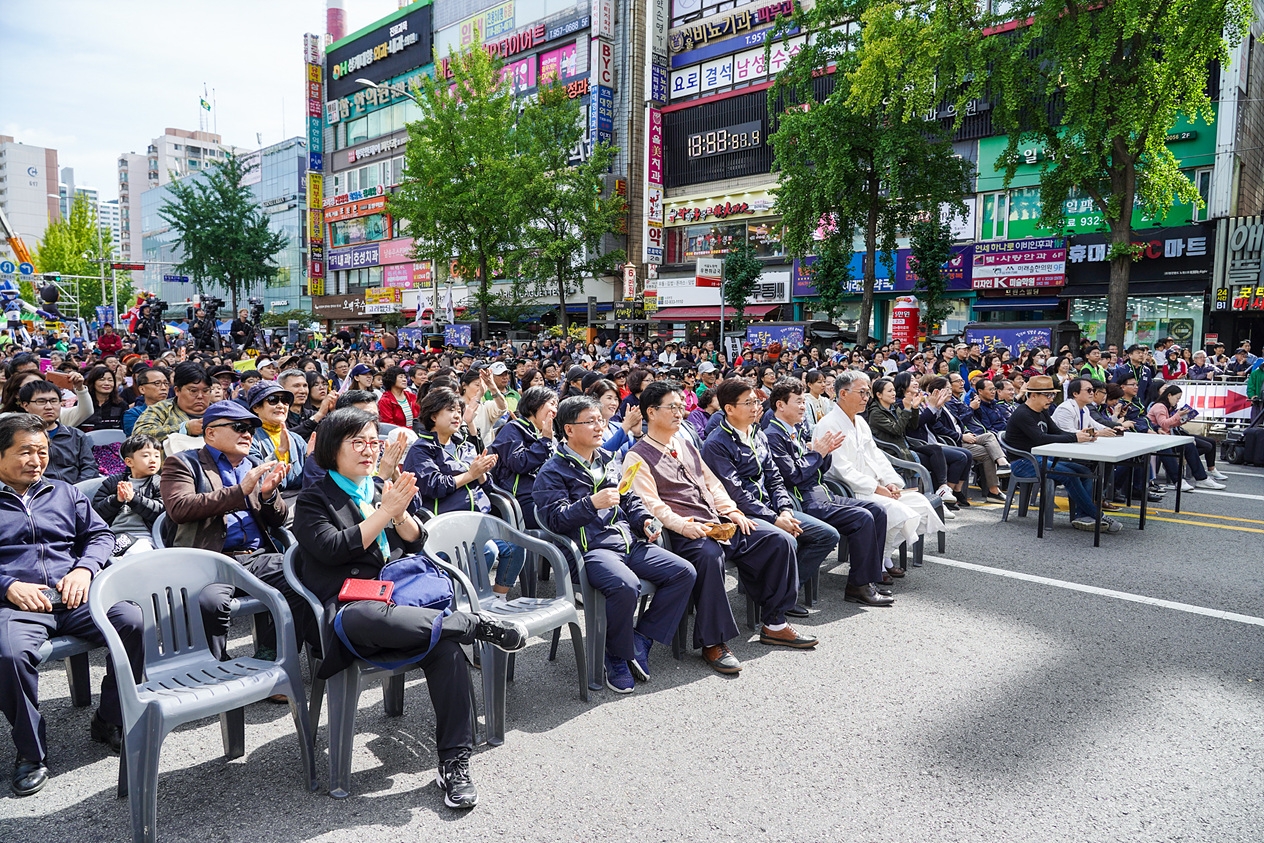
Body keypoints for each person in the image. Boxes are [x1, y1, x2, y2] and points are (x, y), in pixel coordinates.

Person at [293, 408, 527, 809]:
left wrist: (398, 513)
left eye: (372, 442)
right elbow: (330, 548)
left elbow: (416, 542)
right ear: (333, 449)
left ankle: (454, 761)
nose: (369, 450)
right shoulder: (315, 498)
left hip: (404, 604)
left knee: (447, 650)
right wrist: (383, 511)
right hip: (354, 606)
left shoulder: (380, 486)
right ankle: (472, 624)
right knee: (364, 615)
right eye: (358, 442)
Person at [624, 381, 813, 676]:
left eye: (680, 405)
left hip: (717, 521)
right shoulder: (637, 455)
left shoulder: (685, 442)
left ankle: (774, 622)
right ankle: (714, 642)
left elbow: (713, 483)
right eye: (671, 407)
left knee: (779, 540)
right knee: (710, 556)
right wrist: (684, 526)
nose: (679, 411)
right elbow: (652, 506)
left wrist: (732, 511)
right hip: (684, 533)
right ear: (651, 412)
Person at [0, 414, 144, 797]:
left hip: (74, 594)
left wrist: (84, 569)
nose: (36, 460)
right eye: (25, 452)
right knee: (9, 655)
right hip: (18, 603)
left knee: (131, 620)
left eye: (42, 452)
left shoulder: (64, 492)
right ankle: (31, 753)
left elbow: (99, 535)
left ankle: (109, 719)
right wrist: (9, 585)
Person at [533, 396, 695, 693]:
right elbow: (554, 521)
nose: (600, 427)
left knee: (684, 572)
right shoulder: (552, 471)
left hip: (627, 542)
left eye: (601, 421)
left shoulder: (608, 459)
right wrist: (589, 504)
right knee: (625, 585)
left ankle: (640, 638)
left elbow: (630, 498)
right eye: (591, 421)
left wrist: (645, 520)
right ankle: (616, 655)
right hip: (590, 551)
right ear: (569, 429)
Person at [159, 400, 305, 662]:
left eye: (250, 428)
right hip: (210, 561)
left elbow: (279, 520)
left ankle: (272, 658)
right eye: (239, 427)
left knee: (306, 576)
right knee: (210, 604)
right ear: (211, 432)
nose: (247, 434)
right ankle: (215, 669)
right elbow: (179, 508)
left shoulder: (253, 465)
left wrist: (269, 495)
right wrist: (240, 492)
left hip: (257, 557)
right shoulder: (182, 463)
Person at [702, 378, 837, 614]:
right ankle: (777, 607)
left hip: (772, 510)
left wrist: (784, 509)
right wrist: (776, 519)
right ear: (729, 409)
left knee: (827, 535)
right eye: (748, 403)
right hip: (744, 515)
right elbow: (737, 494)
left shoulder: (757, 433)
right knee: (789, 539)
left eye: (756, 401)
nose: (756, 408)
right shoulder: (716, 444)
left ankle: (783, 593)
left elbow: (774, 478)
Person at [763, 380, 893, 607]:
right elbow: (791, 477)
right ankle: (858, 585)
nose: (803, 407)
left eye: (804, 401)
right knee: (862, 518)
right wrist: (817, 453)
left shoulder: (797, 430)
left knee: (877, 510)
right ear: (780, 405)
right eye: (798, 402)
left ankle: (867, 579)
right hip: (803, 500)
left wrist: (825, 452)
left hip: (821, 493)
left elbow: (816, 469)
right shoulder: (773, 435)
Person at [401, 387, 526, 599]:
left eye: (459, 410)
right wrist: (470, 474)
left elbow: (487, 487)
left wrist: (482, 472)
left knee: (516, 546)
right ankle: (467, 598)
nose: (458, 415)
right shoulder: (422, 449)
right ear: (433, 415)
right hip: (447, 523)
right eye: (450, 410)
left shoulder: (465, 445)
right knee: (488, 551)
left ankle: (496, 597)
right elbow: (434, 486)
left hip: (478, 520)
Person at [812, 370, 946, 570]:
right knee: (896, 510)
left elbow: (877, 456)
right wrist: (875, 488)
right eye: (862, 393)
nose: (866, 398)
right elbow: (841, 470)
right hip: (850, 490)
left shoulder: (860, 421)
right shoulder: (828, 424)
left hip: (875, 485)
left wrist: (889, 482)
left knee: (918, 503)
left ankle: (883, 556)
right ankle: (879, 563)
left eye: (867, 393)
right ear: (843, 394)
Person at [1003, 375, 1121, 533]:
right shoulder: (1022, 414)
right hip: (1024, 463)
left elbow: (1057, 432)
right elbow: (1040, 438)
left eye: (1052, 394)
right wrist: (1074, 437)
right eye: (1047, 395)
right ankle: (1097, 515)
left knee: (1084, 471)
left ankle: (1083, 516)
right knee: (1067, 474)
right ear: (1033, 395)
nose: (1051, 399)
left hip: (1043, 459)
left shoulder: (1042, 411)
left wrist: (1080, 434)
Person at [488, 386, 557, 529]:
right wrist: (544, 442)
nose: (555, 410)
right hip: (525, 499)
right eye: (551, 403)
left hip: (549, 495)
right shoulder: (513, 429)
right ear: (535, 404)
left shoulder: (547, 434)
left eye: (556, 405)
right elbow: (519, 463)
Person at [91, 433, 165, 556]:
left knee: (135, 554)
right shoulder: (113, 482)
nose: (153, 460)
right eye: (146, 455)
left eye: (157, 456)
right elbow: (96, 513)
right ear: (129, 462)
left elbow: (162, 511)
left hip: (144, 538)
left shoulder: (160, 483)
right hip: (112, 537)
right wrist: (116, 500)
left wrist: (134, 499)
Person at [1147, 384, 1226, 488]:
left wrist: (1182, 421)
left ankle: (1202, 478)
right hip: (1156, 439)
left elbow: (1169, 424)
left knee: (1189, 445)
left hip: (1164, 438)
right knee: (1169, 450)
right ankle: (1179, 480)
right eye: (1177, 398)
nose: (1177, 401)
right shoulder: (1159, 406)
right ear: (1169, 395)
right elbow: (1163, 423)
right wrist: (1177, 415)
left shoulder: (1166, 407)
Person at [19, 380, 97, 484]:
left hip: (75, 492)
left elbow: (89, 468)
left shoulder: (76, 435)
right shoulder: (18, 437)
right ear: (25, 405)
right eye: (41, 402)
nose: (49, 407)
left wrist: (75, 491)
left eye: (54, 401)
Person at [246, 382, 308, 501]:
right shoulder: (248, 438)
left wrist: (313, 458)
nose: (280, 405)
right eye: (273, 400)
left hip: (301, 501)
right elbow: (255, 478)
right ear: (256, 407)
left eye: (284, 400)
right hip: (268, 504)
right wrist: (279, 453)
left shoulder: (296, 439)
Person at [132, 361, 212, 444]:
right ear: (177, 390)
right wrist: (184, 429)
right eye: (193, 391)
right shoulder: (161, 409)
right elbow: (139, 435)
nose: (200, 396)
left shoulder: (220, 411)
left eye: (205, 391)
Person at [122, 366, 170, 435]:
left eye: (166, 383)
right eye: (157, 383)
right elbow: (141, 437)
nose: (163, 388)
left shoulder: (176, 410)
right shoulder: (134, 414)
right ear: (142, 389)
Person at [79, 365, 127, 432]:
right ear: (93, 382)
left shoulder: (121, 405)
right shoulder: (83, 404)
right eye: (102, 380)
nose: (107, 383)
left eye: (110, 380)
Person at [377, 366, 419, 432]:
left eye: (405, 377)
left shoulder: (412, 396)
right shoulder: (385, 401)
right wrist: (409, 431)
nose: (404, 380)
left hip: (415, 433)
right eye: (401, 377)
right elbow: (388, 424)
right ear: (392, 379)